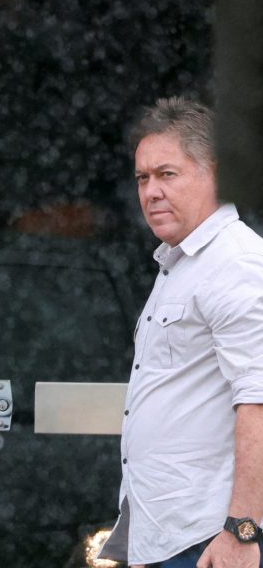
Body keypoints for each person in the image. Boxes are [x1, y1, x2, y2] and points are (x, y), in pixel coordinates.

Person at [99, 97, 263, 568]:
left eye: (167, 174)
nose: (150, 191)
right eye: (142, 178)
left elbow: (257, 401)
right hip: (167, 534)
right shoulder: (182, 263)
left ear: (216, 172)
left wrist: (242, 530)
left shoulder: (236, 262)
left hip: (208, 540)